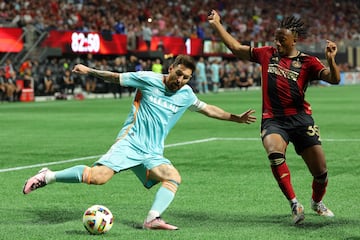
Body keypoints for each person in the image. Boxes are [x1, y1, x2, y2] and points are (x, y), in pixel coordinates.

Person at [22, 54, 257, 230]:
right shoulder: (147, 79)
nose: (181, 80)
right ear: (171, 68)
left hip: (152, 152)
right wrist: (89, 70)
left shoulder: (186, 94)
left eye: (186, 77)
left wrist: (235, 118)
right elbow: (115, 77)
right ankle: (48, 175)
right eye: (179, 74)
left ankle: (152, 219)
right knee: (98, 178)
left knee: (173, 176)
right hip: (130, 143)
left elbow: (208, 109)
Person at [208, 11, 340, 224]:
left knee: (321, 172)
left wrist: (331, 60)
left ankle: (317, 202)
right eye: (275, 39)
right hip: (273, 120)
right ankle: (295, 203)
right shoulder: (266, 54)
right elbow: (236, 48)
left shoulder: (308, 62)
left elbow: (334, 79)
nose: (277, 43)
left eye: (282, 39)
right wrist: (217, 25)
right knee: (274, 153)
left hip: (300, 119)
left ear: (294, 40)